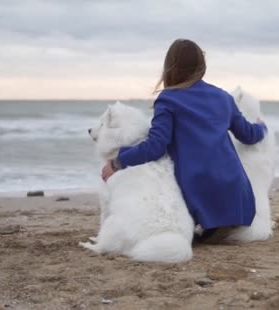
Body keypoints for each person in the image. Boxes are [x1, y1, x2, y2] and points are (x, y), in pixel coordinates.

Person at [101, 38, 266, 242]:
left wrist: (117, 162)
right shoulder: (223, 97)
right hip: (238, 197)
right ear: (201, 66)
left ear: (170, 67)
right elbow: (248, 135)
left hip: (200, 196)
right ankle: (221, 223)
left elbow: (155, 147)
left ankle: (207, 223)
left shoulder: (168, 99)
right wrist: (261, 126)